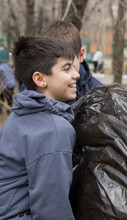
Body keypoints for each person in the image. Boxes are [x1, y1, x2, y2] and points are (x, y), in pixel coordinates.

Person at [0, 36, 80, 219]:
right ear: (40, 79)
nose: (76, 74)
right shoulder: (55, 129)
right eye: (67, 68)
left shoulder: (20, 114)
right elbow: (52, 210)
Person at [39, 20, 103, 104]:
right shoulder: (31, 92)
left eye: (68, 67)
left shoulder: (99, 97)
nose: (76, 75)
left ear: (81, 55)